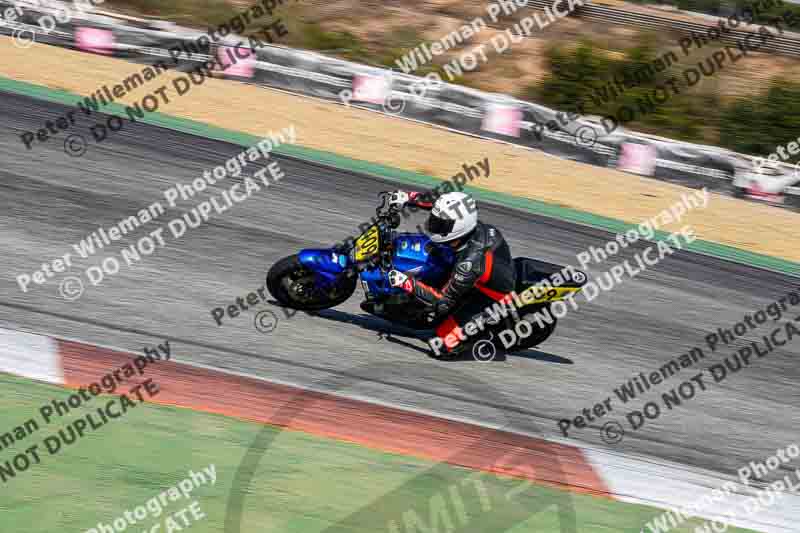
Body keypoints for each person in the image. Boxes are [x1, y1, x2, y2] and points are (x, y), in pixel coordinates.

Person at [385, 190, 515, 357]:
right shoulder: (464, 221)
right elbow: (438, 204)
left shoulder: (467, 266)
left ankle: (479, 331)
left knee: (441, 346)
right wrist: (408, 197)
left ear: (457, 228)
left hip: (492, 295)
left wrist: (406, 283)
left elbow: (442, 301)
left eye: (440, 225)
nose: (433, 226)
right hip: (486, 266)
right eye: (435, 221)